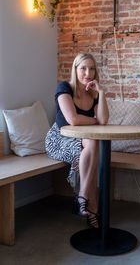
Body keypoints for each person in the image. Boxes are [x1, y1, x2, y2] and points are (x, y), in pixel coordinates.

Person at [45, 52, 109, 228]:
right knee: (93, 150)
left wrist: (101, 93)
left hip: (84, 140)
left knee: (93, 145)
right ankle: (91, 205)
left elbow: (104, 120)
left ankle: (83, 197)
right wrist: (94, 121)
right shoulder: (64, 87)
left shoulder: (92, 93)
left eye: (92, 68)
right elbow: (73, 120)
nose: (87, 72)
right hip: (59, 139)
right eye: (83, 68)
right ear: (75, 69)